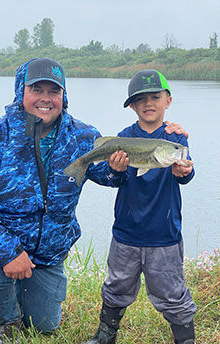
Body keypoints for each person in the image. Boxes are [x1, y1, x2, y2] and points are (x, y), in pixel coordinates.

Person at [0, 59, 187, 344]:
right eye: (37, 89)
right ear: (20, 91)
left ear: (63, 95)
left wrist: (131, 157)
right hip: (4, 242)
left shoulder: (81, 136)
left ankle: (24, 291)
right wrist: (7, 250)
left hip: (48, 254)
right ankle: (6, 320)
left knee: (45, 326)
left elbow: (109, 175)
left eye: (54, 91)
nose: (46, 99)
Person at [82, 70, 196, 344]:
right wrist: (115, 170)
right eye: (141, 99)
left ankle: (186, 339)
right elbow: (114, 180)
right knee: (116, 286)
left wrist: (184, 172)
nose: (149, 103)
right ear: (131, 106)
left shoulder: (175, 139)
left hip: (164, 234)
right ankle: (105, 336)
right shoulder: (123, 137)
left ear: (167, 100)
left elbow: (186, 172)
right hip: (126, 231)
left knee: (172, 293)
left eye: (155, 97)